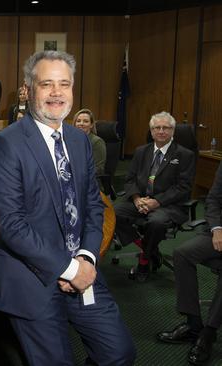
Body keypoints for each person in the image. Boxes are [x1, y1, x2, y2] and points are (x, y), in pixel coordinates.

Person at [0, 50, 136, 365]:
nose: (56, 93)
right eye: (46, 84)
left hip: (81, 267)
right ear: (28, 89)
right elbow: (12, 225)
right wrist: (70, 269)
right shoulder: (4, 146)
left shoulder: (79, 142)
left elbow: (94, 205)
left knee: (119, 354)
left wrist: (85, 257)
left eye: (64, 84)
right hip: (29, 277)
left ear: (73, 89)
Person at [114, 111, 195, 282]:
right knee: (112, 213)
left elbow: (183, 187)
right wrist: (136, 199)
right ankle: (149, 250)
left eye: (166, 127)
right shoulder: (141, 151)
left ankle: (144, 259)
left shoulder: (184, 154)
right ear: (151, 131)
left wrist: (157, 202)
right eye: (157, 127)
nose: (161, 131)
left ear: (173, 131)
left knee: (156, 223)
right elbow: (130, 179)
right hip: (141, 201)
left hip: (168, 205)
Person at [157, 162, 222, 365]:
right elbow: (213, 199)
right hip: (218, 233)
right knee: (183, 254)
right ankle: (193, 324)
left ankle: (209, 333)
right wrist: (217, 228)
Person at [73, 108, 106, 177]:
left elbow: (98, 169)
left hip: (87, 181)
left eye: (85, 121)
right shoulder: (69, 140)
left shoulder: (97, 142)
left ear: (91, 125)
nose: (81, 124)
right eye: (78, 121)